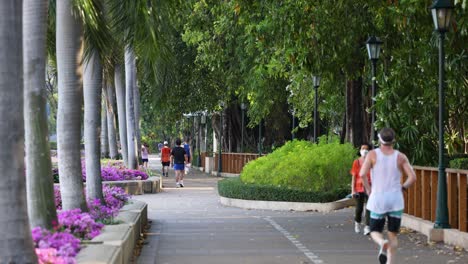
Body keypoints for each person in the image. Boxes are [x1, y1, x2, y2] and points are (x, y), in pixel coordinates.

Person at [360, 128, 416, 264]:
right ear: (393, 140)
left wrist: (369, 190)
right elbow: (412, 177)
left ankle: (381, 242)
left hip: (378, 198)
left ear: (379, 140)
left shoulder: (372, 155)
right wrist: (403, 187)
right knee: (393, 236)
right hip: (395, 200)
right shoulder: (400, 157)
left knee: (374, 230)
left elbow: (362, 174)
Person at [350, 143, 372, 235]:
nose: (365, 150)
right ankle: (357, 223)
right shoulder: (357, 162)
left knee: (369, 208)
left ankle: (367, 227)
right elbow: (354, 177)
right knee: (359, 209)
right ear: (360, 150)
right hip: (359, 188)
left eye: (366, 149)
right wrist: (353, 190)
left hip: (370, 188)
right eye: (363, 148)